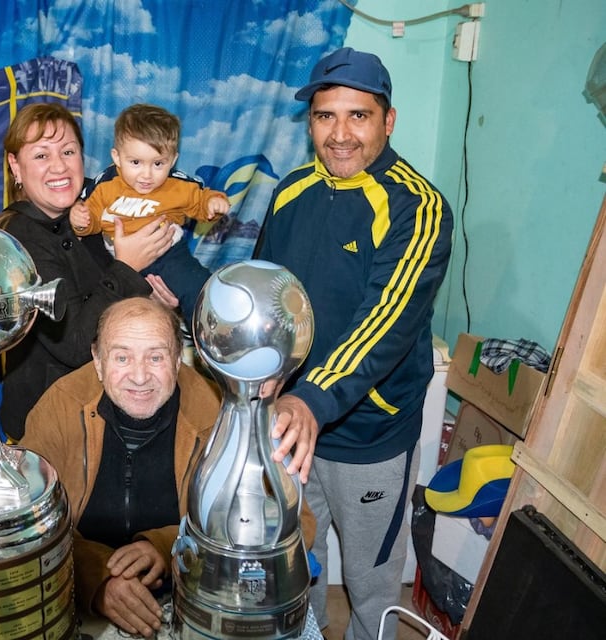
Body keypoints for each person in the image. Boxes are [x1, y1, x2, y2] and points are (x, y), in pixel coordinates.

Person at [256, 47, 453, 640]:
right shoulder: (291, 190)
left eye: (358, 116)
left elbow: (384, 320)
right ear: (309, 121)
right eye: (324, 116)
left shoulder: (417, 207)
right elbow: (268, 293)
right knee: (298, 568)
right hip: (290, 428)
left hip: (370, 434)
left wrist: (310, 399)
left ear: (388, 120)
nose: (339, 135)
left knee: (370, 587)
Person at [21, 297, 317, 637]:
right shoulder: (60, 406)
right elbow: (27, 529)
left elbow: (293, 526)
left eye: (156, 356)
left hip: (189, 597)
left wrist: (172, 547)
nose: (139, 375)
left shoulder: (222, 413)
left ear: (178, 360)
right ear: (98, 361)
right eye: (121, 357)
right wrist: (94, 577)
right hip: (75, 594)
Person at [0, 102, 179, 441]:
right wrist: (126, 267)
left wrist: (153, 301)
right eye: (41, 156)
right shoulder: (16, 241)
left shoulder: (95, 215)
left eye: (68, 151)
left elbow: (116, 302)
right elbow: (75, 343)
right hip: (50, 428)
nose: (59, 166)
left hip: (110, 418)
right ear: (15, 166)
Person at [70, 103, 230, 324]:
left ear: (172, 160)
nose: (146, 174)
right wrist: (80, 221)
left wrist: (214, 203)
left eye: (158, 164)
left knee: (202, 290)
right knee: (119, 321)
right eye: (135, 162)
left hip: (168, 256)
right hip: (121, 264)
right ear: (117, 157)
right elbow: (92, 221)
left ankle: (213, 339)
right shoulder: (105, 187)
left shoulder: (177, 185)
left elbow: (201, 200)